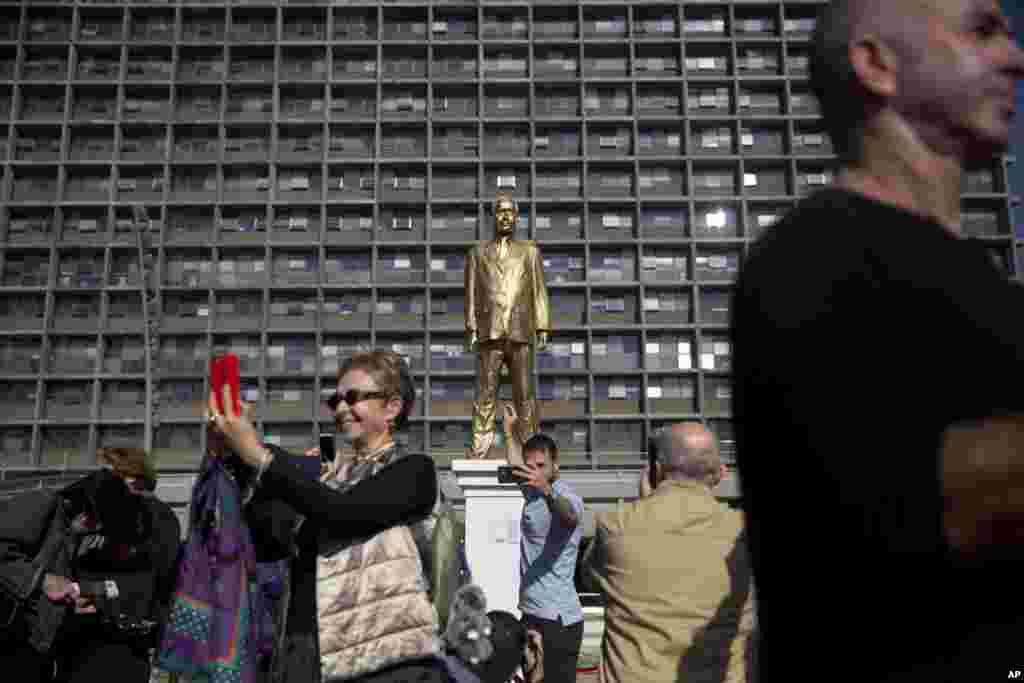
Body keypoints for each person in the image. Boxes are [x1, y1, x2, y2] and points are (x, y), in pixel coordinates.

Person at [731, 0, 1024, 679]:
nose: (1015, 55)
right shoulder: (810, 263)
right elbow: (905, 506)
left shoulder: (983, 277)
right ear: (876, 65)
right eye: (981, 30)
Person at [207, 350, 446, 682]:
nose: (342, 408)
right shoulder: (324, 481)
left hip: (384, 662)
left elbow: (344, 513)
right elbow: (268, 541)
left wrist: (260, 455)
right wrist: (235, 457)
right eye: (336, 400)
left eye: (353, 397)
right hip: (306, 652)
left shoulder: (415, 470)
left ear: (392, 407)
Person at [581, 423, 755, 683]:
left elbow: (589, 578)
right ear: (720, 473)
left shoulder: (615, 527)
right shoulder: (742, 535)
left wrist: (644, 504)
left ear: (655, 471)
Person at [0, 447, 181, 683]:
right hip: (41, 639)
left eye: (110, 474)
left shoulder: (145, 518)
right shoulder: (52, 508)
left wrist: (83, 591)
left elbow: (138, 582)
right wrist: (48, 582)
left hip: (105, 641)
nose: (99, 480)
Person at [465, 192, 551, 458]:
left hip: (519, 330)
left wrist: (542, 326)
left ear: (516, 217)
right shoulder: (477, 252)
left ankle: (530, 448)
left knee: (524, 394)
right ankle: (480, 447)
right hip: (489, 330)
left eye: (509, 212)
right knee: (485, 393)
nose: (505, 216)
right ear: (494, 217)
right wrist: (471, 327)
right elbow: (471, 293)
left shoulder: (529, 251)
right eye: (500, 211)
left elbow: (538, 290)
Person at [503, 424, 584, 683]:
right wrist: (508, 431)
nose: (535, 473)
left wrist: (547, 490)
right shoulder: (532, 493)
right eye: (531, 467)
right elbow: (516, 463)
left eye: (541, 466)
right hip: (531, 613)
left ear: (554, 466)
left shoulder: (565, 496)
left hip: (557, 620)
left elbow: (569, 517)